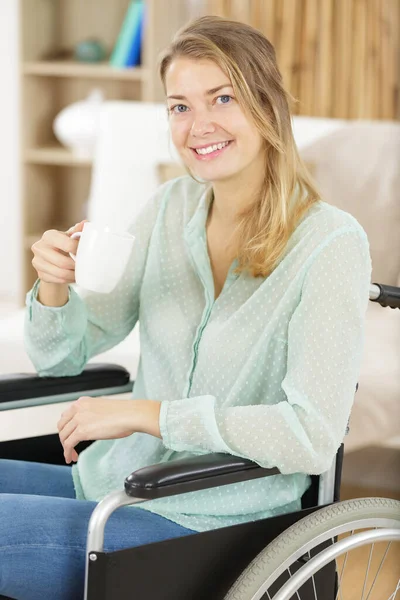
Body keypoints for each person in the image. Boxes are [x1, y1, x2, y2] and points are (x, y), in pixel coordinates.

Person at [0, 15, 372, 600]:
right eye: (179, 106)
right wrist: (53, 286)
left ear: (267, 105)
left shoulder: (330, 243)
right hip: (114, 484)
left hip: (211, 519)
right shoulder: (169, 208)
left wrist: (149, 414)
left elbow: (310, 434)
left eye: (222, 98)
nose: (199, 126)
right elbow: (61, 358)